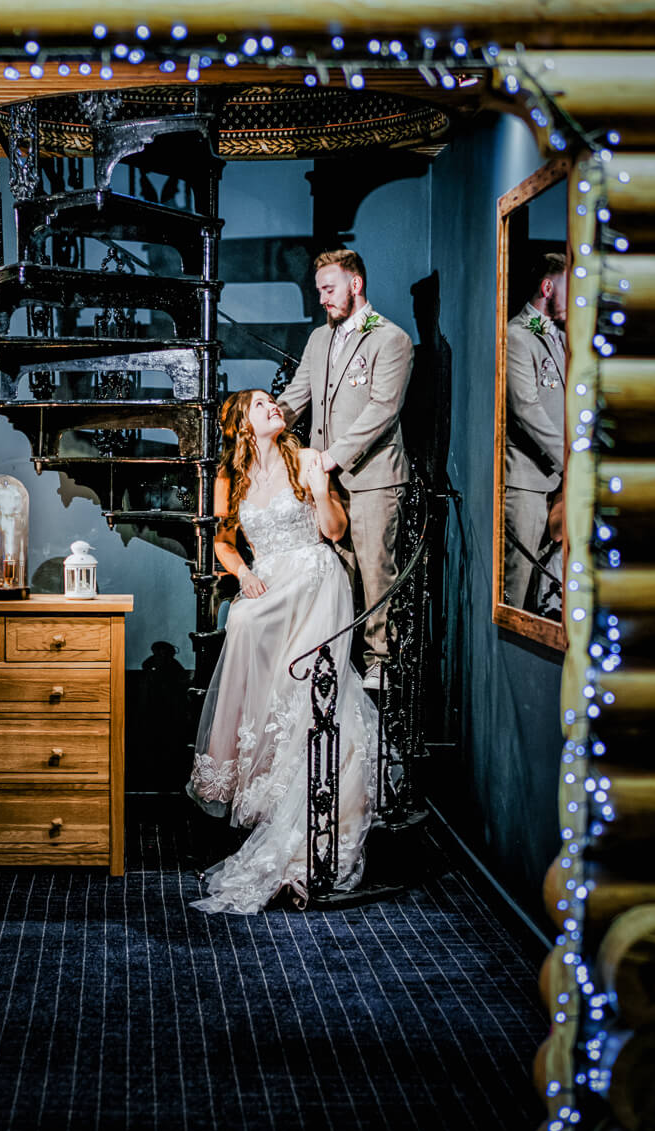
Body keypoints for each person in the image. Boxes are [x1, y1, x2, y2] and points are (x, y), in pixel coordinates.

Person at [186, 389, 382, 914]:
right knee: (243, 619)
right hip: (269, 578)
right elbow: (223, 541)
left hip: (317, 578)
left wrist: (321, 490)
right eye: (260, 405)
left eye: (275, 401)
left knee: (310, 693)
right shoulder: (231, 477)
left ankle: (312, 827)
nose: (274, 407)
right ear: (243, 425)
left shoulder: (309, 457)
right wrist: (243, 573)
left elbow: (334, 532)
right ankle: (274, 801)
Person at [276, 249, 415, 689]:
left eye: (329, 288)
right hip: (326, 483)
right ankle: (337, 658)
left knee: (375, 571)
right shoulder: (320, 339)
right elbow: (298, 395)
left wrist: (331, 456)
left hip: (374, 479)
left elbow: (382, 411)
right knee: (335, 572)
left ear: (356, 285)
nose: (322, 298)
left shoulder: (392, 339)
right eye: (319, 290)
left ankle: (381, 661)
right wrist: (261, 422)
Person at [503, 251, 568, 616]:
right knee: (519, 581)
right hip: (526, 482)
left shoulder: (560, 337)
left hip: (557, 480)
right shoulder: (517, 336)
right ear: (547, 287)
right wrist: (569, 460)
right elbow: (526, 408)